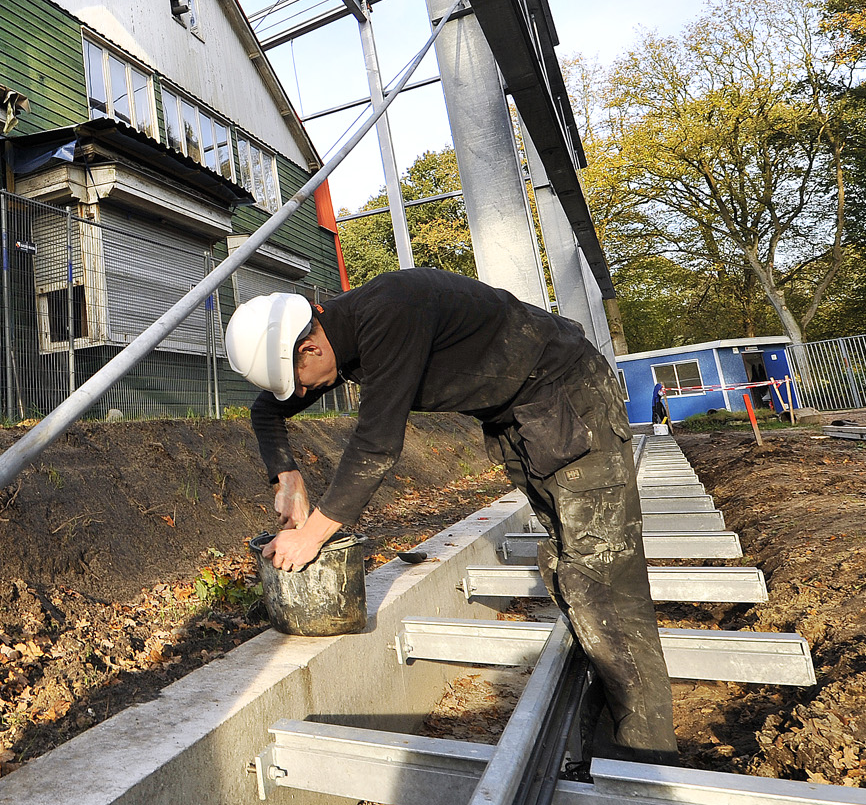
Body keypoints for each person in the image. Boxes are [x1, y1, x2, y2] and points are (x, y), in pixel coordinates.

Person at [225, 267, 676, 761]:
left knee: (605, 582)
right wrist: (286, 478)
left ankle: (646, 770)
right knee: (576, 569)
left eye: (300, 385)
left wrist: (311, 536)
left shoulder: (390, 316)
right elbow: (265, 412)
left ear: (309, 349)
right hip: (527, 422)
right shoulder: (342, 337)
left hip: (568, 400)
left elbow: (375, 445)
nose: (303, 397)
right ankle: (605, 726)